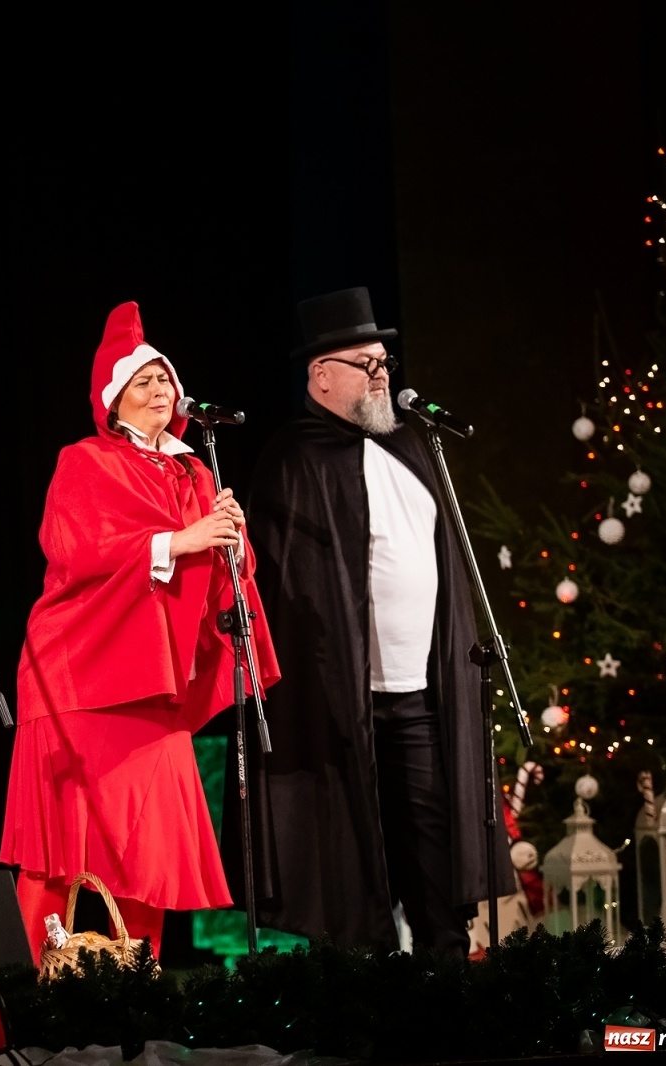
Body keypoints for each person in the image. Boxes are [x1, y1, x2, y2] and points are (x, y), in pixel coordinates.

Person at [0, 301, 279, 963]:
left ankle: (138, 985)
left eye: (165, 380)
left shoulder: (193, 472)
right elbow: (74, 548)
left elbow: (219, 585)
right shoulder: (86, 461)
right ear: (113, 398)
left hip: (154, 687)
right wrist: (181, 539)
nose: (161, 390)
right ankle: (28, 982)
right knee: (56, 851)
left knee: (149, 849)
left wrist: (232, 540)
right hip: (79, 674)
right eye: (144, 381)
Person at [243, 286, 511, 957]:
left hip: (419, 697)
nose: (382, 372)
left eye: (385, 360)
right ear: (321, 375)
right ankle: (364, 999)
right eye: (366, 362)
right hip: (342, 705)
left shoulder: (414, 447)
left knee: (432, 847)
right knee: (350, 857)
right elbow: (280, 588)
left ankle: (449, 980)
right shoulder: (294, 457)